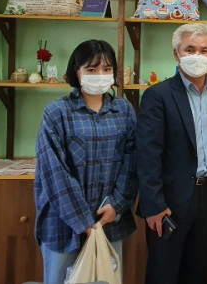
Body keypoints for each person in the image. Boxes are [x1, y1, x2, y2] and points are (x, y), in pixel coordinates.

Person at [34, 39, 137, 284]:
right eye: (91, 69)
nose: (100, 75)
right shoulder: (57, 112)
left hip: (110, 221)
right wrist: (83, 221)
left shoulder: (124, 110)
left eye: (106, 69)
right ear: (77, 71)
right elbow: (54, 171)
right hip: (63, 223)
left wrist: (117, 205)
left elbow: (132, 162)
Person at [137, 23, 207, 284]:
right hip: (169, 202)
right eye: (190, 49)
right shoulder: (158, 95)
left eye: (204, 50)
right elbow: (147, 154)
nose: (197, 55)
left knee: (198, 272)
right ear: (176, 54)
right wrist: (154, 205)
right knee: (163, 273)